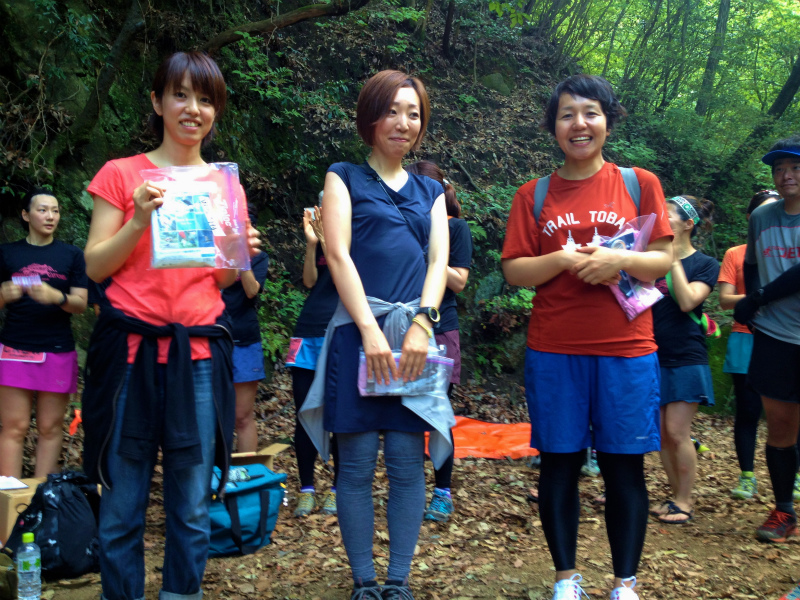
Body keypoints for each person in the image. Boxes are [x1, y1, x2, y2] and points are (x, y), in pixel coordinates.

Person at [81, 51, 260, 600]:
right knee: (122, 504)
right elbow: (94, 266)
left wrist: (241, 256)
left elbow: (223, 282)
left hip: (200, 358)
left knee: (190, 506)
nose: (193, 109)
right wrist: (139, 218)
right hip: (131, 355)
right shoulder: (122, 174)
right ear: (157, 102)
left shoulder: (224, 185)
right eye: (180, 95)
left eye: (206, 100)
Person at [501, 74, 673, 600]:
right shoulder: (534, 195)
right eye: (567, 114)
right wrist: (562, 259)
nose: (580, 124)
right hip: (555, 349)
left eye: (590, 112)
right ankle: (565, 579)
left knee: (624, 467)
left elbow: (663, 259)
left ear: (608, 120)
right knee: (559, 462)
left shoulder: (638, 183)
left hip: (627, 349)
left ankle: (625, 584)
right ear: (553, 127)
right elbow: (513, 271)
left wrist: (618, 260)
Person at [297, 69, 453, 600]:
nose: (403, 123)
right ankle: (364, 580)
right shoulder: (343, 176)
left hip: (413, 337)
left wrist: (421, 325)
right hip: (356, 336)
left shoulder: (433, 190)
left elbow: (438, 262)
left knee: (409, 465)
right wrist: (368, 329)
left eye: (413, 113)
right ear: (370, 116)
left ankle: (398, 580)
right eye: (392, 110)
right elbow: (336, 253)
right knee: (357, 463)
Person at [734, 135, 800, 543]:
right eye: (779, 169)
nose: (786, 175)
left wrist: (756, 298)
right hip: (776, 334)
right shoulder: (762, 217)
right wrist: (758, 309)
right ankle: (783, 511)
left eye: (794, 168)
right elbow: (753, 264)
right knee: (779, 425)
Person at [0, 188, 88, 477]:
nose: (51, 216)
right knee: (15, 427)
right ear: (25, 215)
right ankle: (8, 502)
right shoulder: (7, 253)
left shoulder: (72, 255)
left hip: (57, 349)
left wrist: (56, 297)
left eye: (55, 210)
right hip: (15, 348)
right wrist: (4, 295)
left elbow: (81, 304)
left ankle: (43, 500)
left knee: (50, 428)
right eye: (42, 210)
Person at [404, 160, 472, 523]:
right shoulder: (402, 223)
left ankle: (442, 492)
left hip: (440, 327)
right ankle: (410, 489)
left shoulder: (455, 228)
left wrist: (432, 248)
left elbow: (459, 282)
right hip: (401, 325)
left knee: (438, 414)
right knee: (405, 412)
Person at [650, 195, 718, 524]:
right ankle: (675, 496)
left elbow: (689, 301)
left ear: (687, 225)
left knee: (678, 431)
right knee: (662, 433)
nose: (661, 219)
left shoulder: (705, 264)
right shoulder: (650, 258)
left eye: (668, 215)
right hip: (653, 354)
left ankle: (686, 501)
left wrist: (672, 257)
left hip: (687, 356)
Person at [718, 190, 782, 500]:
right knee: (748, 410)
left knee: (790, 410)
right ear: (751, 218)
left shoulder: (789, 249)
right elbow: (725, 300)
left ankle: (793, 476)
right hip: (745, 336)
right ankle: (747, 476)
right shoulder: (736, 254)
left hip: (786, 338)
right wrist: (762, 298)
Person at [287, 197, 340, 517]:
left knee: (340, 415)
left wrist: (330, 239)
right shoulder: (318, 241)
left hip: (340, 331)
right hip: (307, 330)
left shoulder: (355, 237)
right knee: (304, 413)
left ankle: (337, 488)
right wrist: (311, 244)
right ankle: (306, 488)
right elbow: (309, 282)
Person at [222, 207, 269, 453]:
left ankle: (247, 481)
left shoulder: (259, 257)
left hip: (244, 339)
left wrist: (243, 257)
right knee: (214, 415)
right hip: (213, 335)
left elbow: (252, 291)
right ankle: (216, 477)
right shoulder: (214, 251)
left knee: (242, 415)